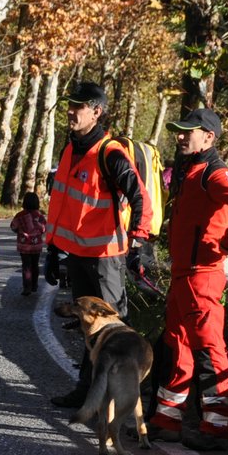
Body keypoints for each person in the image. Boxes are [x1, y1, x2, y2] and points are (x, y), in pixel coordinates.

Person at [148, 108, 228, 450]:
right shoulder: (191, 170)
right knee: (177, 344)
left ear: (208, 137)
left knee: (210, 349)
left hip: (202, 275)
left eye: (188, 131)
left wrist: (224, 245)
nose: (181, 136)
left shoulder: (213, 173)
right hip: (184, 274)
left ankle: (216, 429)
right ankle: (167, 420)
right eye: (179, 131)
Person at [43, 80, 149, 408]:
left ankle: (124, 397)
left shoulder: (109, 152)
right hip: (77, 255)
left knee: (114, 330)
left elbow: (140, 196)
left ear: (97, 112)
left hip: (106, 257)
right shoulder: (71, 148)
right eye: (69, 106)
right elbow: (63, 204)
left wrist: (140, 241)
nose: (71, 112)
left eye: (78, 107)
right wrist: (52, 249)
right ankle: (87, 389)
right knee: (90, 331)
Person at [9, 190, 48, 297]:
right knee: (35, 265)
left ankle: (27, 287)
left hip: (24, 245)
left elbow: (13, 226)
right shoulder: (39, 216)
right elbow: (44, 229)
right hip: (36, 245)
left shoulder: (20, 215)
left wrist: (20, 232)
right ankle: (35, 284)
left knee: (26, 266)